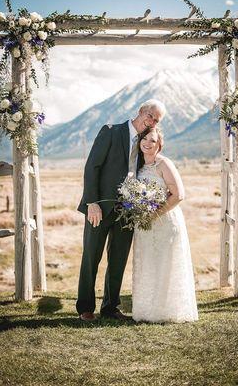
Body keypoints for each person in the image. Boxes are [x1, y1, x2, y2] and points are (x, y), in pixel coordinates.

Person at [76, 99, 166, 321]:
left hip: (128, 210)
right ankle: (85, 308)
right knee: (91, 256)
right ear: (140, 111)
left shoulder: (145, 141)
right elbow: (92, 167)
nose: (152, 122)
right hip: (101, 207)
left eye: (156, 120)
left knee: (118, 259)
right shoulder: (111, 131)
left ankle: (110, 308)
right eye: (150, 116)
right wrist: (91, 203)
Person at [132, 127, 198, 323]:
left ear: (159, 144)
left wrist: (154, 214)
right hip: (144, 225)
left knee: (166, 265)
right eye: (144, 138)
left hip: (165, 222)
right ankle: (147, 311)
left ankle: (168, 311)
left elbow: (179, 194)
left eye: (152, 140)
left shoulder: (164, 164)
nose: (147, 143)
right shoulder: (138, 166)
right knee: (149, 264)